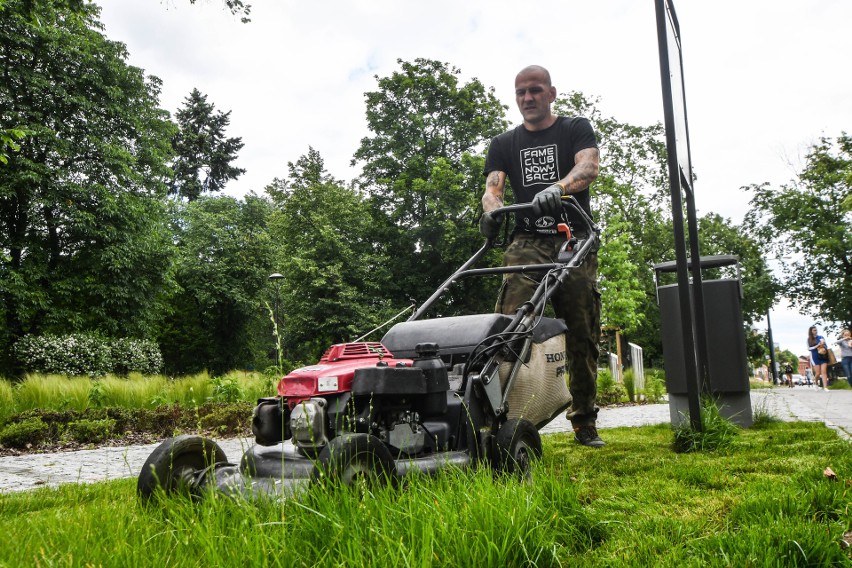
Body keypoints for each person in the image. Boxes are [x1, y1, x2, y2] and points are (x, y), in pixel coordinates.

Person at [479, 65, 603, 447]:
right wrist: (490, 210)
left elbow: (588, 166)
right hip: (527, 239)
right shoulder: (503, 142)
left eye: (535, 90)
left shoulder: (574, 128)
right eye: (520, 92)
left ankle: (584, 421)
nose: (527, 98)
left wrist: (559, 187)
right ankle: (501, 418)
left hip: (572, 236)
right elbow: (492, 189)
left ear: (551, 93)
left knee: (580, 331)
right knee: (511, 327)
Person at [807, 326, 829, 391]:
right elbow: (809, 348)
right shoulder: (809, 339)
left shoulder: (821, 337)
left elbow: (826, 346)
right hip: (815, 356)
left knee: (824, 371)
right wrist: (816, 346)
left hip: (823, 355)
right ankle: (816, 383)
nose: (815, 331)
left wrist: (823, 345)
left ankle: (825, 387)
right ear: (811, 331)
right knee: (818, 373)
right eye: (814, 330)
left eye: (816, 330)